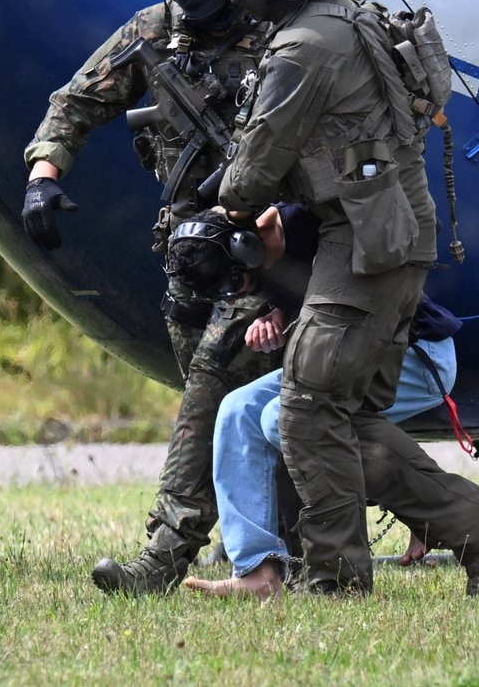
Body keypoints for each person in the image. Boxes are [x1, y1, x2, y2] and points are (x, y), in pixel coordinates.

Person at [205, 0, 479, 596]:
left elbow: (255, 166)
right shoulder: (349, 12)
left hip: (366, 245)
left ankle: (335, 577)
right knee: (336, 413)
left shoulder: (304, 47)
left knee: (304, 405)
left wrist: (220, 207)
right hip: (378, 235)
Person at [21, 0, 282, 595]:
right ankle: (293, 548)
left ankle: (164, 559)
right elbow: (74, 101)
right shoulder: (154, 34)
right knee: (244, 405)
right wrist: (45, 175)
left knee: (206, 401)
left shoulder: (284, 35)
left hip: (268, 250)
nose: (187, 2)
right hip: (188, 256)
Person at [162, 204, 479, 599]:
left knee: (289, 418)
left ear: (248, 246)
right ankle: (258, 570)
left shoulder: (317, 220)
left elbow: (360, 301)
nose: (239, 293)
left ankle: (437, 514)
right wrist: (277, 316)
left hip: (411, 354)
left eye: (236, 280)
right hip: (337, 355)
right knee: (238, 409)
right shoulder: (257, 248)